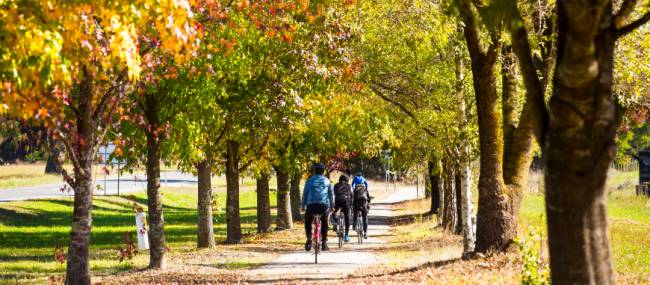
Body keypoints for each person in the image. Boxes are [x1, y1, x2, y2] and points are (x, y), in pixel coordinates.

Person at [301, 163, 334, 251]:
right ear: (323, 171)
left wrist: (302, 206)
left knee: (308, 221)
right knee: (325, 222)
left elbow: (304, 194)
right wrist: (332, 207)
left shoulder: (309, 181)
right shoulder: (327, 181)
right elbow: (331, 196)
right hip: (323, 206)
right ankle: (324, 243)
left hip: (311, 206)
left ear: (314, 171)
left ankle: (308, 237)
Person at [332, 175, 353, 242]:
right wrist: (351, 205)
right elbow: (351, 195)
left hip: (337, 202)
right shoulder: (349, 186)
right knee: (347, 217)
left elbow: (333, 195)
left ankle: (335, 223)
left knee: (334, 212)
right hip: (346, 203)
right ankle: (346, 235)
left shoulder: (335, 185)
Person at [352, 172, 371, 239]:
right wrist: (368, 203)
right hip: (363, 204)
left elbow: (352, 185)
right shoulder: (365, 188)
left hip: (356, 204)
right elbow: (368, 198)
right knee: (365, 217)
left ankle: (354, 225)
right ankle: (365, 233)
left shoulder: (355, 189)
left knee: (354, 212)